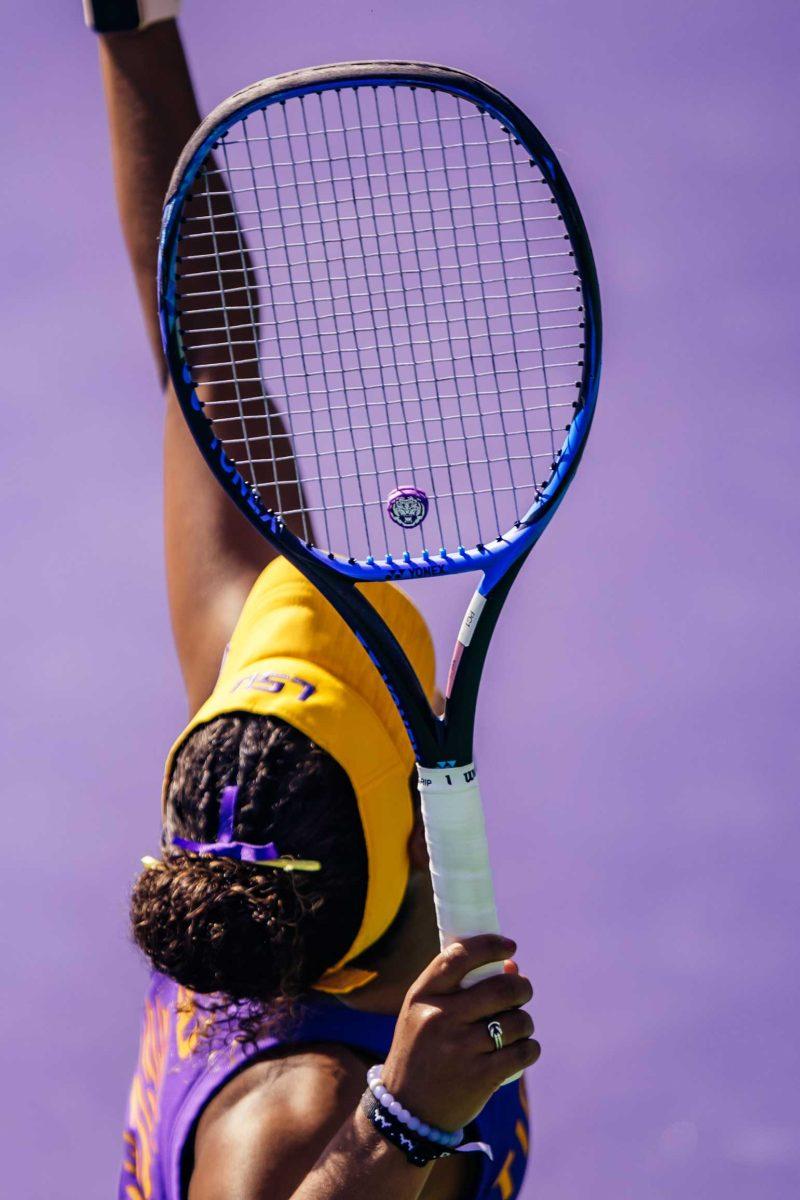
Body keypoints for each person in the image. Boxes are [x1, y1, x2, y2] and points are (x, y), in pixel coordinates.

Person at [87, 5, 540, 1197]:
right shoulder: (299, 1116)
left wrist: (134, 31)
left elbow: (206, 362)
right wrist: (408, 1125)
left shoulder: (256, 818)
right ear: (401, 808)